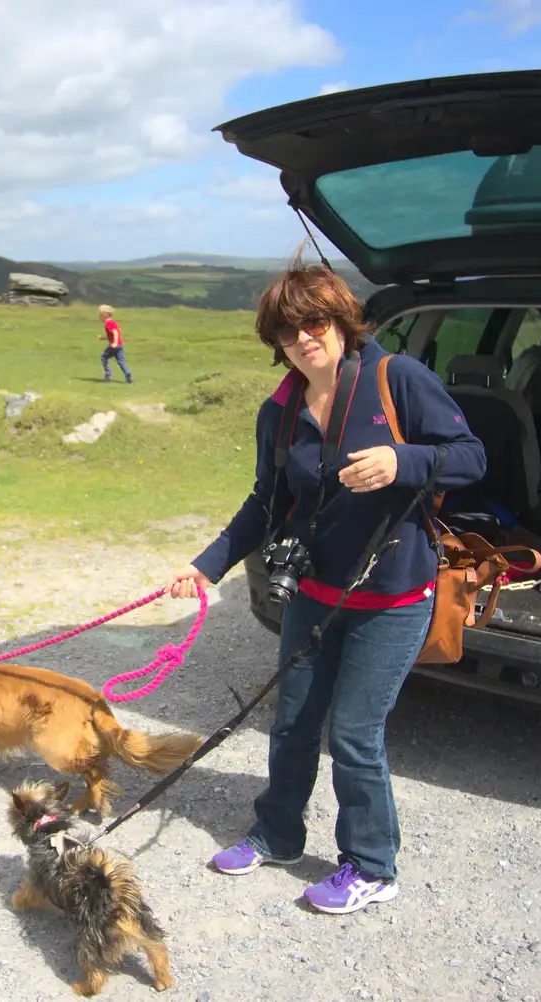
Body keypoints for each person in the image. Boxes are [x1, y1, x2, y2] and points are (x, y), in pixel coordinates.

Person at [165, 264, 485, 915]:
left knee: (355, 734)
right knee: (292, 722)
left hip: (392, 597)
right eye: (287, 330)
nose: (304, 338)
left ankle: (370, 864)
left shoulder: (396, 380)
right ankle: (277, 834)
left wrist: (405, 460)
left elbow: (471, 454)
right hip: (313, 592)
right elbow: (264, 503)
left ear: (340, 321)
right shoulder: (279, 411)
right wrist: (206, 565)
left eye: (315, 322)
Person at [98, 304, 133, 384]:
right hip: (120, 345)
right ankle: (128, 376)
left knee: (104, 357)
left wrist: (115, 343)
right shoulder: (112, 323)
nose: (99, 317)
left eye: (100, 315)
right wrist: (103, 338)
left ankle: (108, 375)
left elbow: (115, 332)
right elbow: (110, 334)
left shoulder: (109, 323)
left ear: (104, 315)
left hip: (115, 345)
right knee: (121, 361)